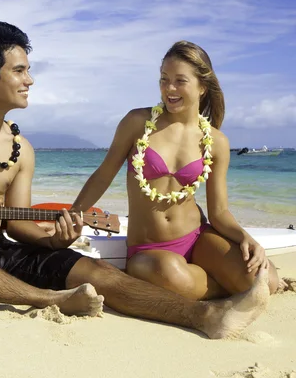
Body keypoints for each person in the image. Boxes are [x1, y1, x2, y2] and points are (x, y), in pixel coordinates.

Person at [0, 24, 270, 339]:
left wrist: (53, 239)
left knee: (96, 271)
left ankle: (203, 317)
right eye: (20, 70)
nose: (30, 79)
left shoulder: (21, 149)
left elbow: (17, 224)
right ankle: (51, 300)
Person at [72, 40, 279, 301]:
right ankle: (222, 285)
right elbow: (104, 174)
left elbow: (219, 212)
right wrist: (73, 213)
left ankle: (216, 279)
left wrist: (245, 237)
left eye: (180, 81)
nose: (169, 88)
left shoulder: (216, 142)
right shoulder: (138, 122)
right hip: (148, 249)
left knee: (266, 280)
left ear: (203, 86)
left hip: (196, 237)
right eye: (163, 79)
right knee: (171, 273)